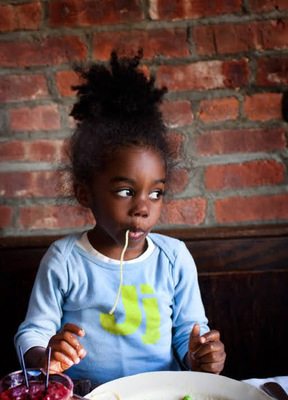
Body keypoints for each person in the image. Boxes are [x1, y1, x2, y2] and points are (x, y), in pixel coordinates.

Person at [14, 51, 226, 387]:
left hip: (164, 394)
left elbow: (189, 333)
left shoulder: (174, 259)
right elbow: (32, 333)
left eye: (155, 193)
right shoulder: (65, 261)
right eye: (126, 192)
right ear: (86, 193)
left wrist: (201, 356)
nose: (143, 208)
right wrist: (45, 355)